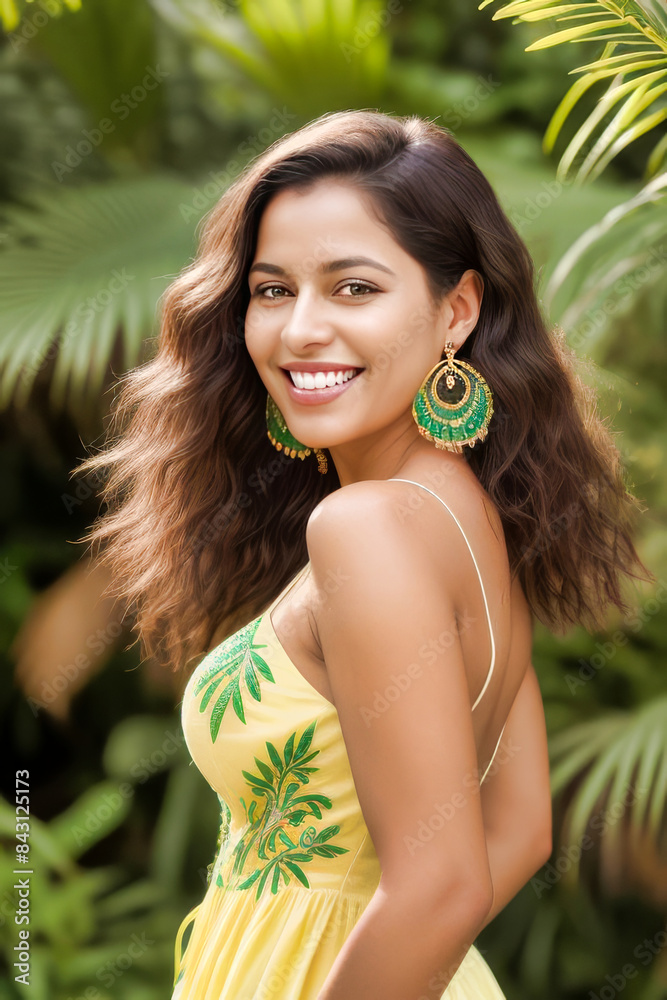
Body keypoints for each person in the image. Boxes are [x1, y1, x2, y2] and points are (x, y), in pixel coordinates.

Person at [76, 109, 652, 999]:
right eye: (272, 290)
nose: (301, 330)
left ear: (454, 310)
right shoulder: (469, 522)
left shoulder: (367, 528)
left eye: (353, 288)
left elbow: (441, 883)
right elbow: (517, 833)